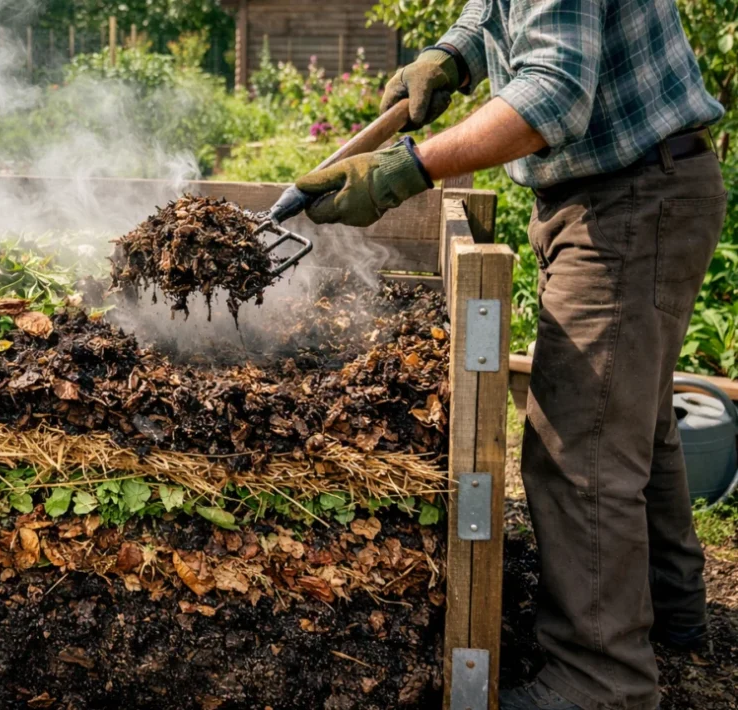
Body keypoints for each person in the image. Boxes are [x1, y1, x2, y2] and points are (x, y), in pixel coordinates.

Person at [291, 2, 726, 710]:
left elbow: (551, 93)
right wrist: (455, 54)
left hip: (631, 198)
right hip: (630, 188)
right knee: (631, 418)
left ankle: (601, 680)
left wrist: (408, 167)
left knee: (578, 445)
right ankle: (670, 615)